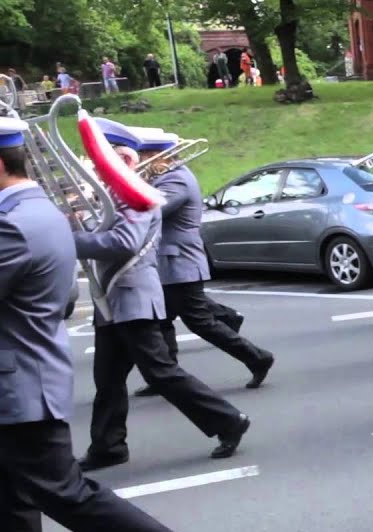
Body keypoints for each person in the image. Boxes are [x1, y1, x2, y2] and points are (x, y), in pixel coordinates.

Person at [0, 117, 212, 532]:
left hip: (18, 385)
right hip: (24, 376)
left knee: (66, 493)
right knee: (10, 498)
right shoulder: (38, 212)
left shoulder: (14, 224)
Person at [75, 120, 251, 470]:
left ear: (122, 161)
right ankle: (108, 446)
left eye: (100, 162)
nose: (95, 168)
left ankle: (227, 420)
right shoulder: (115, 194)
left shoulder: (136, 194)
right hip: (113, 299)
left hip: (131, 296)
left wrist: (66, 240)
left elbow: (125, 243)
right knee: (107, 380)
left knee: (161, 372)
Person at [129, 127, 274, 396]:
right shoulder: (164, 178)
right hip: (168, 262)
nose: (141, 161)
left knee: (199, 322)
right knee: (161, 320)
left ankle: (257, 357)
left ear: (158, 155)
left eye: (145, 155)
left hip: (179, 262)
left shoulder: (175, 181)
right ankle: (165, 375)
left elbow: (149, 211)